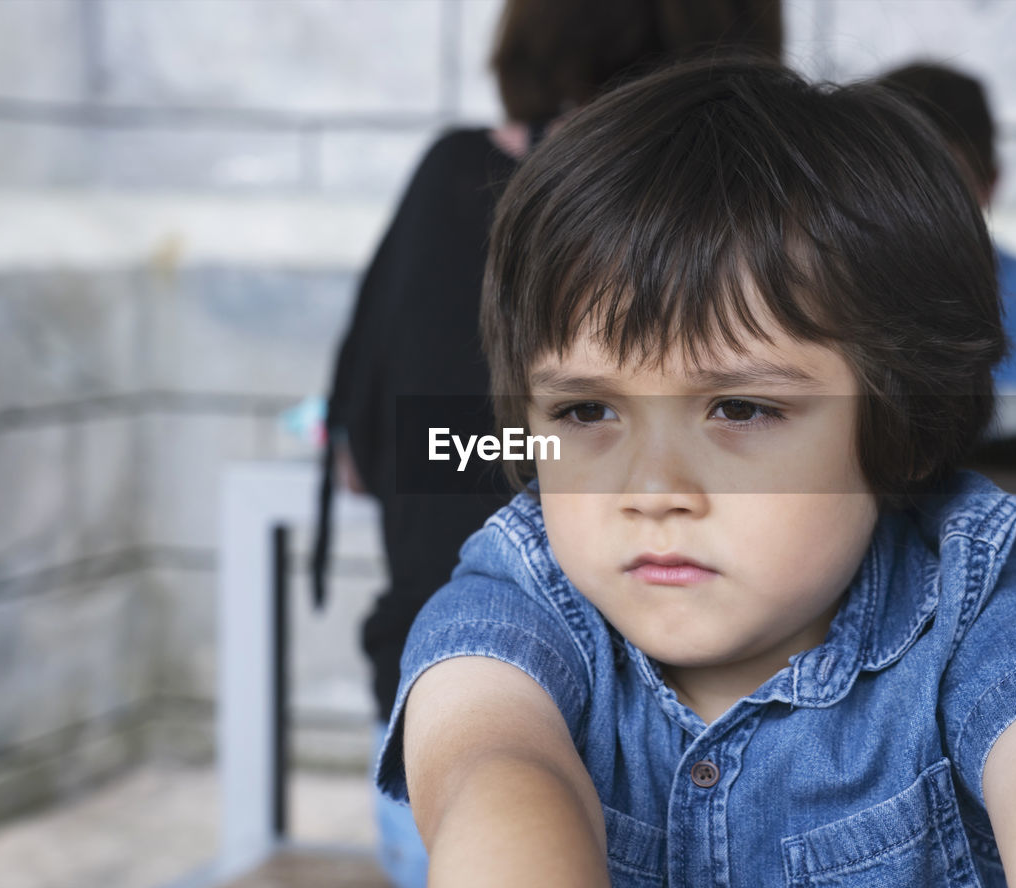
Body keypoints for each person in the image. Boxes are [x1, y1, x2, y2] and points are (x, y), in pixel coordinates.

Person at [374, 58, 1016, 886]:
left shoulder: (975, 596)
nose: (652, 491)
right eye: (587, 411)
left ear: (905, 416)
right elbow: (496, 779)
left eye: (739, 408)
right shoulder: (520, 593)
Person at [313, 3, 782, 885]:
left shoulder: (458, 175)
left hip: (441, 723)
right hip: (586, 734)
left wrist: (507, 453)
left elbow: (374, 450)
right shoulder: (729, 216)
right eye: (586, 407)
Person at [880, 61, 1016, 393]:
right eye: (893, 184)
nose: (916, 210)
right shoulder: (825, 278)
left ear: (988, 184)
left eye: (944, 188)